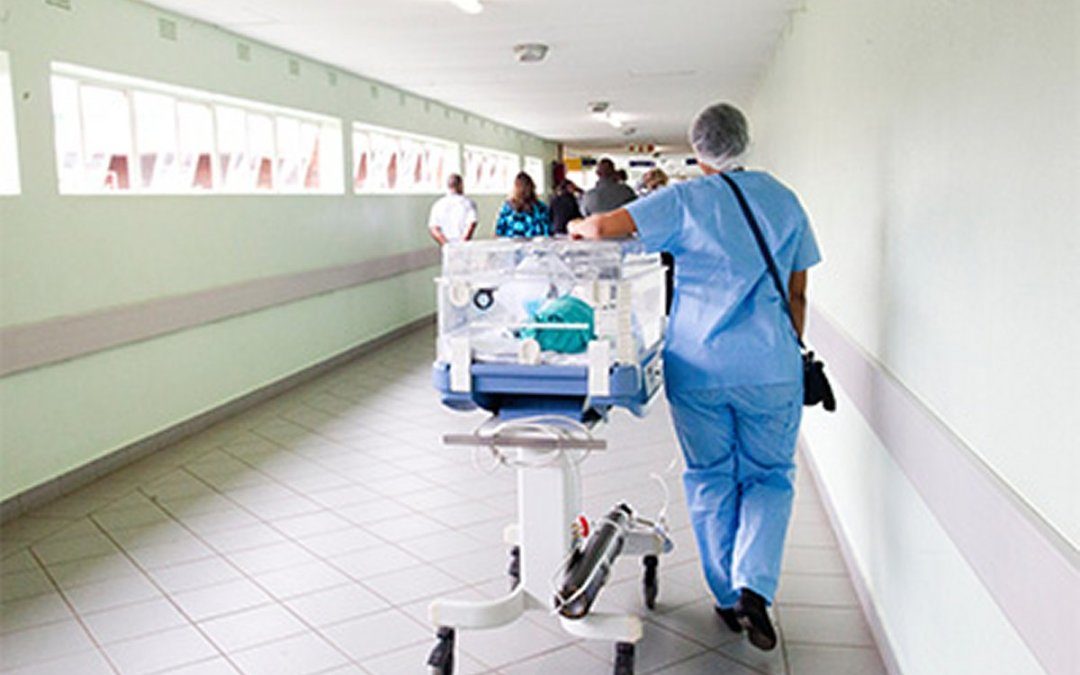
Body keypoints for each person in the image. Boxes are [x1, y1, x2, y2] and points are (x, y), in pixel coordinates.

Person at [569, 103, 821, 652]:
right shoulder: (785, 200)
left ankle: (729, 598)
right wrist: (785, 346)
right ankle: (756, 585)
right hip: (772, 367)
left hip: (700, 366)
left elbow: (603, 228)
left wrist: (575, 222)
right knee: (769, 476)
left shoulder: (685, 199)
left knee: (710, 476)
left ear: (699, 147)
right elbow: (798, 293)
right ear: (745, 140)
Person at [495, 172, 552, 238]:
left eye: (526, 186)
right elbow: (499, 232)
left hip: (536, 245)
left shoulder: (540, 208)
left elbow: (547, 231)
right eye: (521, 186)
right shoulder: (507, 208)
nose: (524, 190)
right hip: (512, 245)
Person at [428, 174, 478, 245]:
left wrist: (446, 244)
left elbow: (434, 228)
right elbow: (472, 224)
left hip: (447, 248)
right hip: (463, 247)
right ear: (461, 185)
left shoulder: (438, 205)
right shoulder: (468, 203)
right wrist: (462, 244)